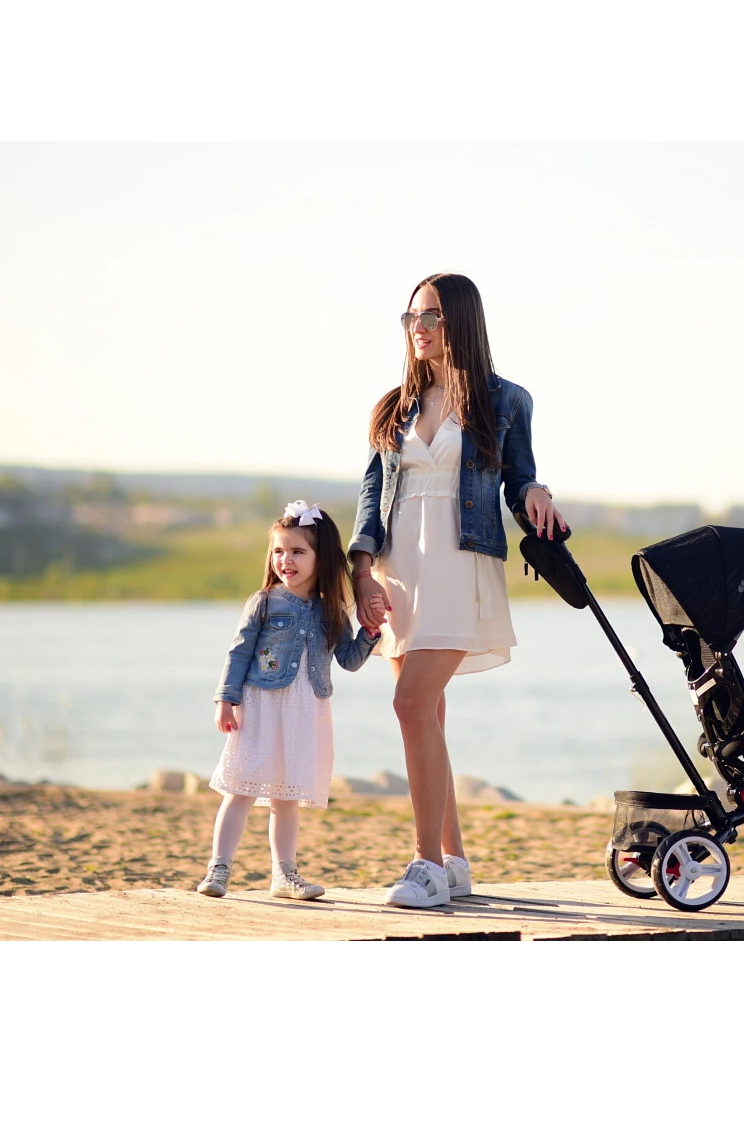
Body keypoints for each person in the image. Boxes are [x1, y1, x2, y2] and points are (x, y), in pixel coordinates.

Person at [349, 272, 568, 909]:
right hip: (398, 571)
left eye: (432, 317)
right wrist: (361, 573)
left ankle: (424, 866)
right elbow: (371, 495)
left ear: (461, 321)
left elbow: (519, 477)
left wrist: (534, 492)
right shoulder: (392, 407)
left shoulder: (505, 400)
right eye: (411, 317)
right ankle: (455, 863)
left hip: (460, 563)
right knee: (429, 716)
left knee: (410, 706)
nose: (418, 328)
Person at [197, 501, 383, 900]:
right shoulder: (264, 602)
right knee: (240, 789)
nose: (286, 560)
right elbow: (239, 652)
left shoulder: (332, 609)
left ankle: (284, 875)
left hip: (305, 711)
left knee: (286, 798)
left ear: (321, 558)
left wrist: (370, 633)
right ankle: (219, 867)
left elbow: (349, 661)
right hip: (260, 707)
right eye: (279, 551)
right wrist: (225, 699)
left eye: (298, 551)